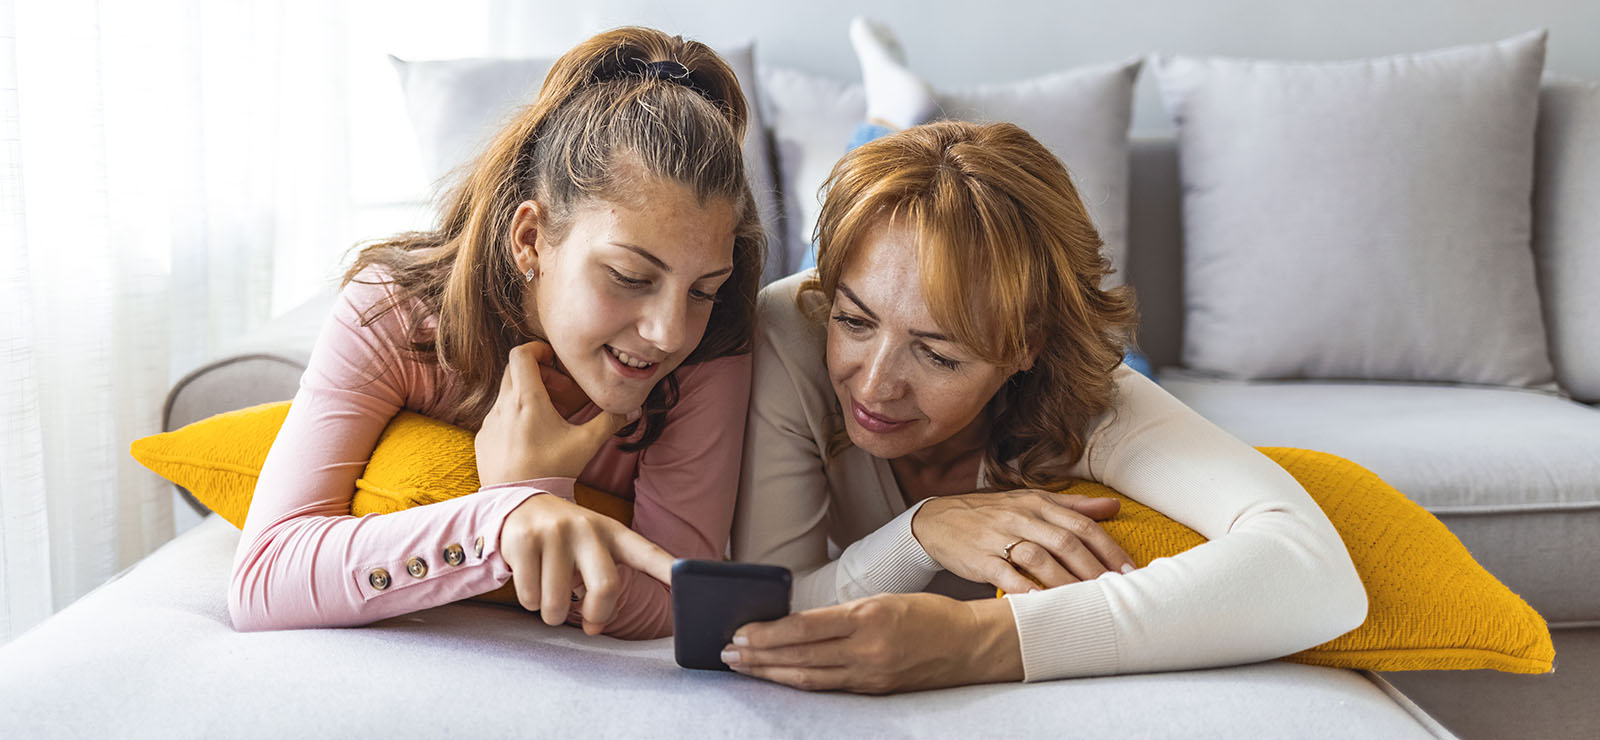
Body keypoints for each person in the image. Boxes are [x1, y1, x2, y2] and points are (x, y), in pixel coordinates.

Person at [727, 19, 1367, 692]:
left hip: (1059, 368)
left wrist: (982, 643)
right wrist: (920, 532)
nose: (876, 387)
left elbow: (1315, 570)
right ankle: (891, 114)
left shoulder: (1087, 389)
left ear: (1023, 345)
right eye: (854, 322)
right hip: (825, 290)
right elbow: (766, 605)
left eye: (939, 356)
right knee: (848, 266)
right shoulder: (793, 327)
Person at [229, 27, 765, 640]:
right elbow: (264, 577)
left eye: (703, 288)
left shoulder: (711, 350)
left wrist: (535, 491)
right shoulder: (396, 316)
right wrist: (503, 520)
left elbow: (678, 593)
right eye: (629, 276)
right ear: (531, 238)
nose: (669, 333)